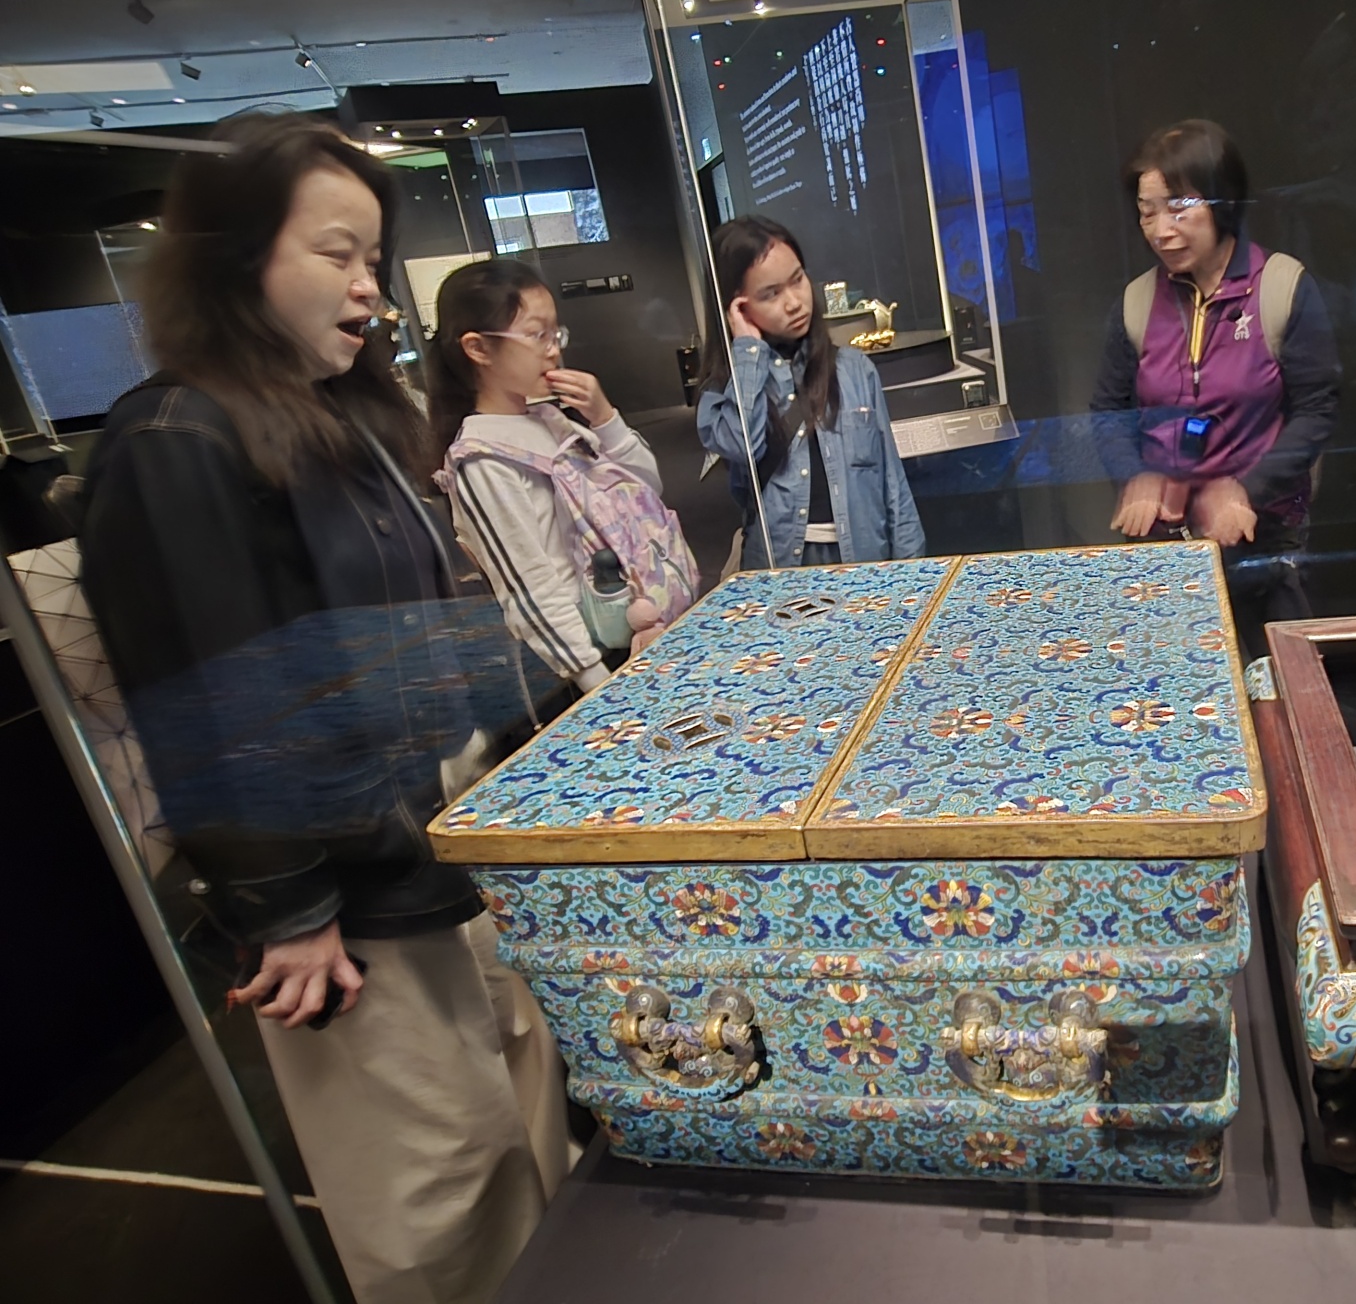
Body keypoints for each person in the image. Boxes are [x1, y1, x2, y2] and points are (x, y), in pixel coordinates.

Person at [80, 114, 568, 1304]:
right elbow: (206, 689)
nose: (366, 286)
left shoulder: (346, 416)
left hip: (440, 842)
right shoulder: (174, 436)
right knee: (435, 1194)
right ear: (236, 255)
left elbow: (436, 620)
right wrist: (286, 907)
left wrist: (550, 744)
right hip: (347, 899)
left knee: (521, 1134)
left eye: (372, 258)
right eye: (336, 254)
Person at [1090, 119, 1340, 646]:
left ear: (1222, 202)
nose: (1161, 230)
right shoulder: (1137, 302)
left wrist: (1246, 490)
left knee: (1277, 680)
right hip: (1166, 545)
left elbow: (1317, 410)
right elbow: (1109, 408)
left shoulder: (1280, 286)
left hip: (1261, 538)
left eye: (1179, 206)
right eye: (1147, 211)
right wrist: (1134, 475)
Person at [426, 258, 693, 692]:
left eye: (556, 334)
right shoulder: (480, 461)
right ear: (478, 349)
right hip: (592, 659)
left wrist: (604, 417)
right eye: (537, 335)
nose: (553, 349)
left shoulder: (551, 420)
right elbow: (531, 589)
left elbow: (646, 490)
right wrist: (597, 683)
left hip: (639, 626)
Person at [696, 215, 924, 568]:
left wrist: (913, 570)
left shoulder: (854, 369)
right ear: (737, 307)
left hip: (864, 558)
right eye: (771, 294)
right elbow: (741, 446)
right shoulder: (725, 388)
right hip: (781, 567)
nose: (794, 302)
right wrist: (748, 352)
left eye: (797, 279)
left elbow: (892, 482)